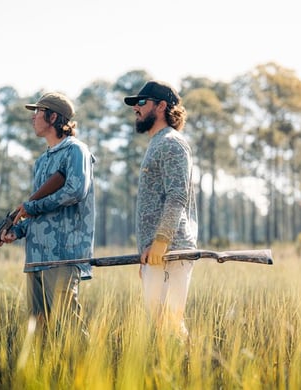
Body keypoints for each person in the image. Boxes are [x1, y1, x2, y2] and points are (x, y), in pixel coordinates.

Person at [0, 91, 95, 335]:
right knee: (38, 330)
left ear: (53, 117)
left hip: (62, 254)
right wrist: (16, 231)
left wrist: (30, 207)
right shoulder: (41, 161)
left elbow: (75, 191)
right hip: (36, 257)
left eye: (38, 112)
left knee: (69, 327)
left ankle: (88, 372)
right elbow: (36, 210)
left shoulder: (76, 151)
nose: (33, 118)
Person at [124, 80, 198, 340]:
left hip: (170, 251)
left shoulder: (171, 143)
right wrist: (148, 250)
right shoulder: (157, 143)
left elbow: (178, 196)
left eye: (142, 102)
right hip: (156, 254)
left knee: (170, 327)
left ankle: (189, 377)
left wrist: (160, 243)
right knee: (160, 327)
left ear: (162, 105)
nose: (136, 108)